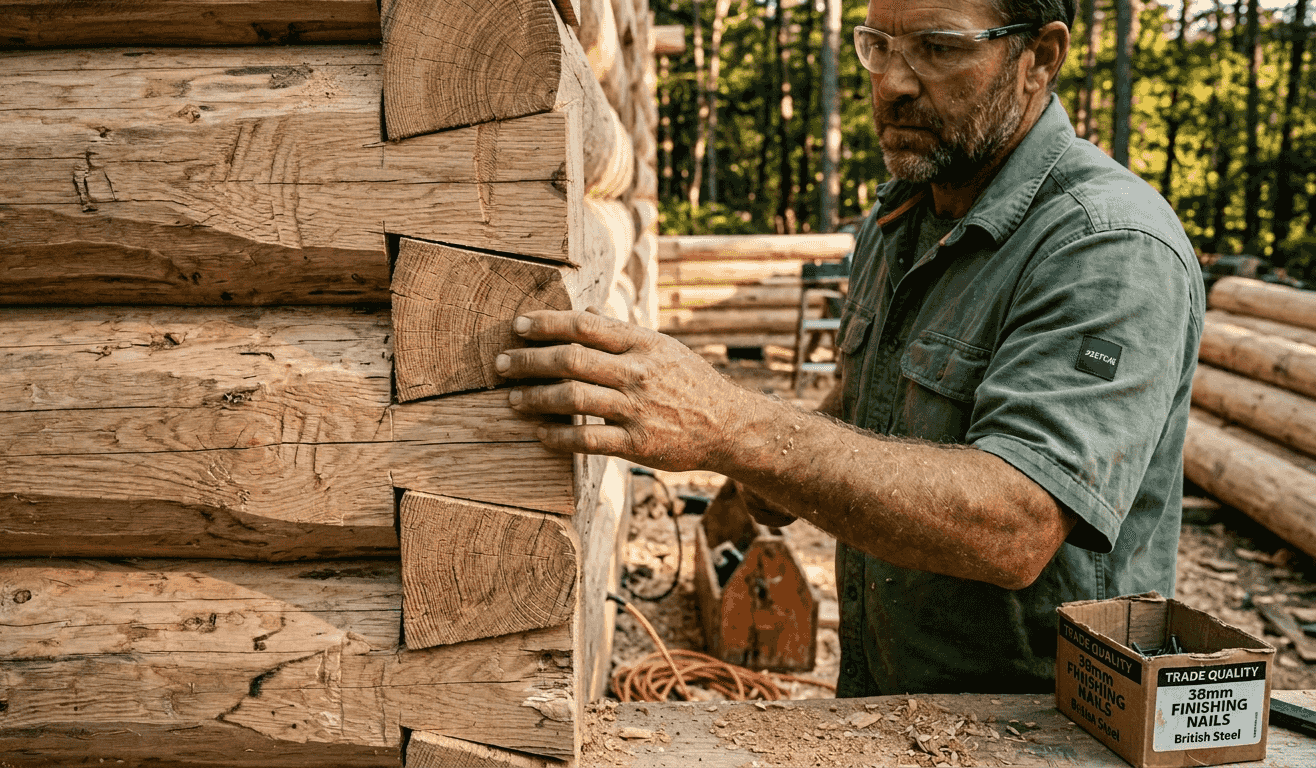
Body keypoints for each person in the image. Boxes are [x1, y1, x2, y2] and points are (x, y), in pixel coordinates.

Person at [494, 0, 1205, 696]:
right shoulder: (904, 213)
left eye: (938, 47)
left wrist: (731, 428)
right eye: (879, 46)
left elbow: (1016, 525)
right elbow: (878, 395)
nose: (893, 82)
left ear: (1039, 58)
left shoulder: (1107, 246)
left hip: (1043, 730)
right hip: (889, 703)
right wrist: (754, 493)